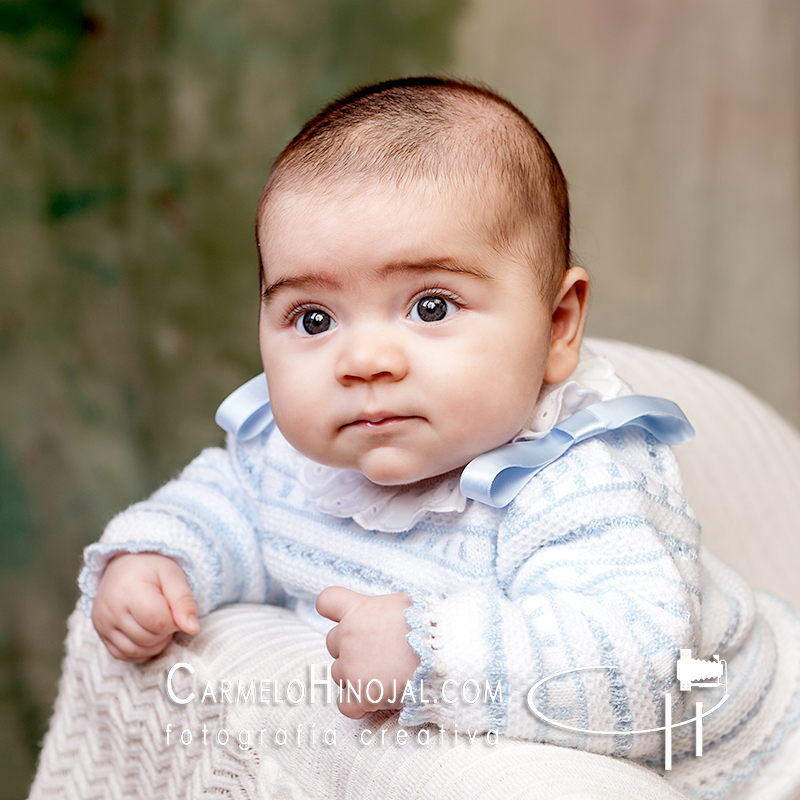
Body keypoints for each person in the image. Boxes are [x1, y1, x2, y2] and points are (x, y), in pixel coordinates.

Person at [79, 77, 800, 795]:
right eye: (314, 319)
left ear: (557, 327)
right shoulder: (290, 454)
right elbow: (229, 504)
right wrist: (157, 556)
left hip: (753, 758)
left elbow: (644, 672)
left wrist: (431, 656)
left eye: (430, 305)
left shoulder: (576, 479)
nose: (363, 362)